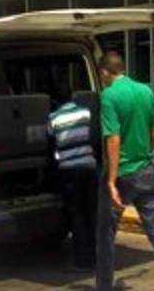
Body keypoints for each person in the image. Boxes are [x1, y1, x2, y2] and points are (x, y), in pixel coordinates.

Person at [95, 51, 154, 291]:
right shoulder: (146, 91)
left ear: (104, 72)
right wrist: (147, 155)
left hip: (122, 174)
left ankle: (103, 287)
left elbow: (113, 139)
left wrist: (111, 181)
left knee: (105, 236)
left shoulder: (108, 96)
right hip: (146, 171)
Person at [48, 98, 98, 271]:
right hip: (89, 168)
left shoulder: (53, 118)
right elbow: (94, 136)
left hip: (69, 171)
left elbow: (51, 144)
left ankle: (83, 261)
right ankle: (97, 256)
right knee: (91, 213)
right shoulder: (85, 112)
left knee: (77, 216)